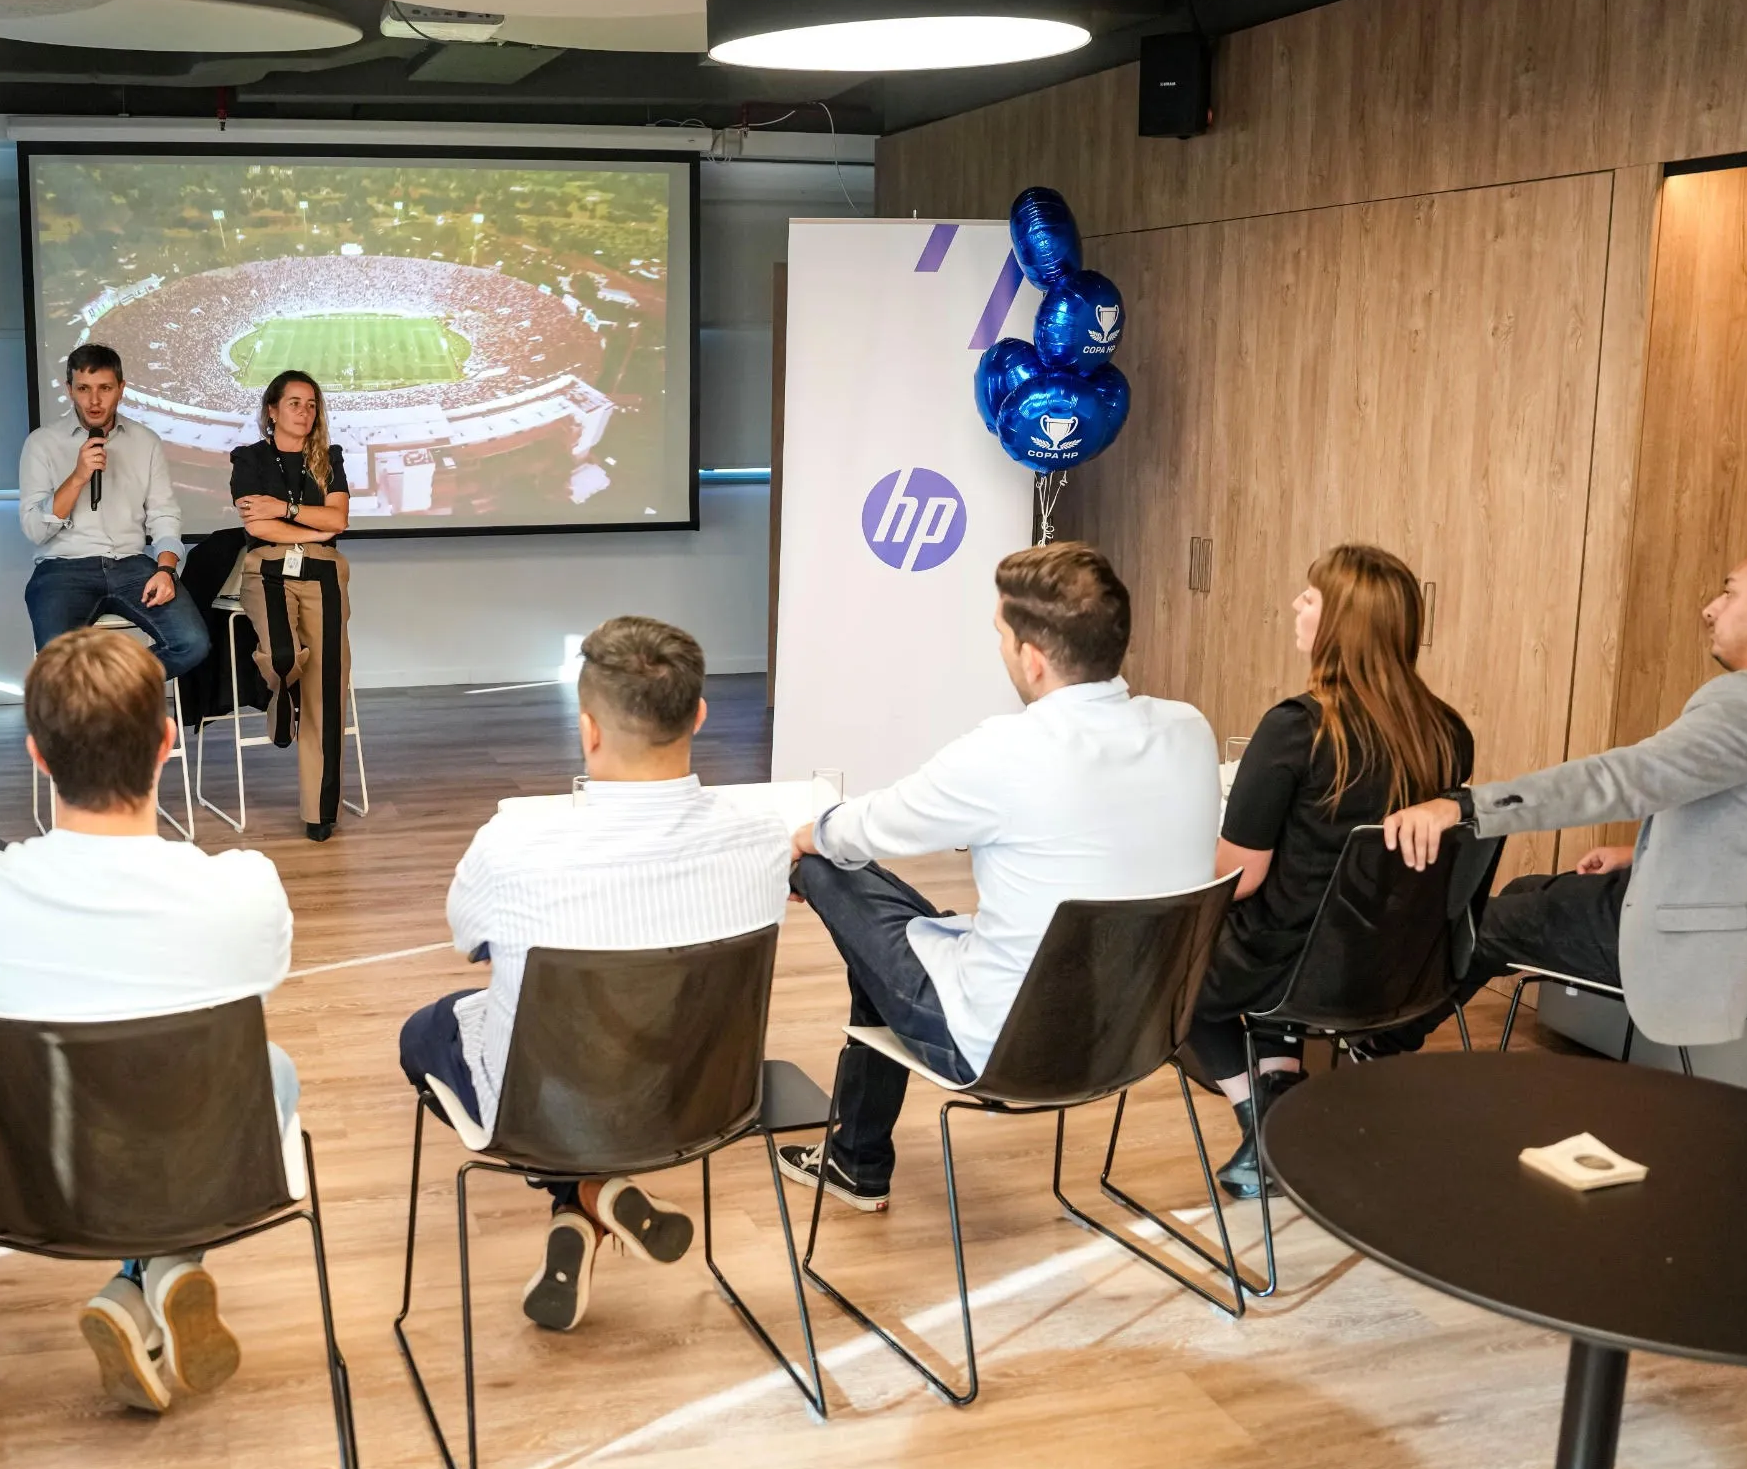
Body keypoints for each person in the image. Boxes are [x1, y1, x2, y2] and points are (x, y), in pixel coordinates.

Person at [0, 629, 298, 1414]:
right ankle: (162, 1266)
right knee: (273, 1068)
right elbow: (264, 979)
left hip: (39, 1183)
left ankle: (136, 1289)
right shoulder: (243, 889)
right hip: (197, 1170)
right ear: (166, 743)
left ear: (37, 755)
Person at [775, 543, 1219, 1211]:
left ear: (1031, 658)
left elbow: (876, 824)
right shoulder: (1190, 730)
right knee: (889, 937)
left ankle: (858, 1161)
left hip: (1003, 1047)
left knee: (825, 867)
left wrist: (808, 839)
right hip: (1141, 1037)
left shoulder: (1009, 751)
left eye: (1001, 636)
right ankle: (855, 1156)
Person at [398, 616, 789, 1332]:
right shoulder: (762, 837)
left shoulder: (514, 845)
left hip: (548, 1105)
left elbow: (469, 943)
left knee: (425, 1031)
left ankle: (586, 1191)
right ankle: (587, 1199)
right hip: (699, 1098)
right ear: (699, 715)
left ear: (588, 730)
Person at [1383, 542, 1747, 1046]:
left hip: (1703, 951)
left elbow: (1620, 779)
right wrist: (1642, 853)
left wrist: (1467, 806)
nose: (1710, 609)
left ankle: (1379, 1048)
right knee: (1524, 892)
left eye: (1730, 592)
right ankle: (1384, 1041)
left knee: (1474, 924)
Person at [1192, 546, 1474, 1198]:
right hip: (1396, 968)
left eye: (1311, 596)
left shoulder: (1296, 729)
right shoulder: (1448, 733)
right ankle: (1284, 1100)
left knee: (1168, 968)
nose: (1296, 603)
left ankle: (1266, 1120)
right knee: (1278, 931)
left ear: (1343, 622)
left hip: (1292, 967)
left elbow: (1238, 879)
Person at [19, 343, 210, 681]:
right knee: (56, 664)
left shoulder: (145, 441)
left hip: (132, 565)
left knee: (191, 643)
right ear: (69, 390)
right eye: (83, 389)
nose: (94, 401)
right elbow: (35, 530)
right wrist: (78, 477)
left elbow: (164, 515)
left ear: (121, 389)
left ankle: (111, 689)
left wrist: (166, 570)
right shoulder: (42, 443)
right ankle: (100, 703)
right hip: (63, 569)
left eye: (105, 388)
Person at [230, 370, 355, 841]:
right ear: (272, 410)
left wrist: (285, 509)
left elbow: (339, 520)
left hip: (324, 570)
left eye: (311, 404)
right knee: (283, 656)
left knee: (326, 688)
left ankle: (319, 812)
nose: (304, 412)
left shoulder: (329, 458)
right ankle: (282, 694)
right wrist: (315, 526)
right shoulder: (249, 458)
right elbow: (257, 528)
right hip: (267, 568)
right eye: (294, 403)